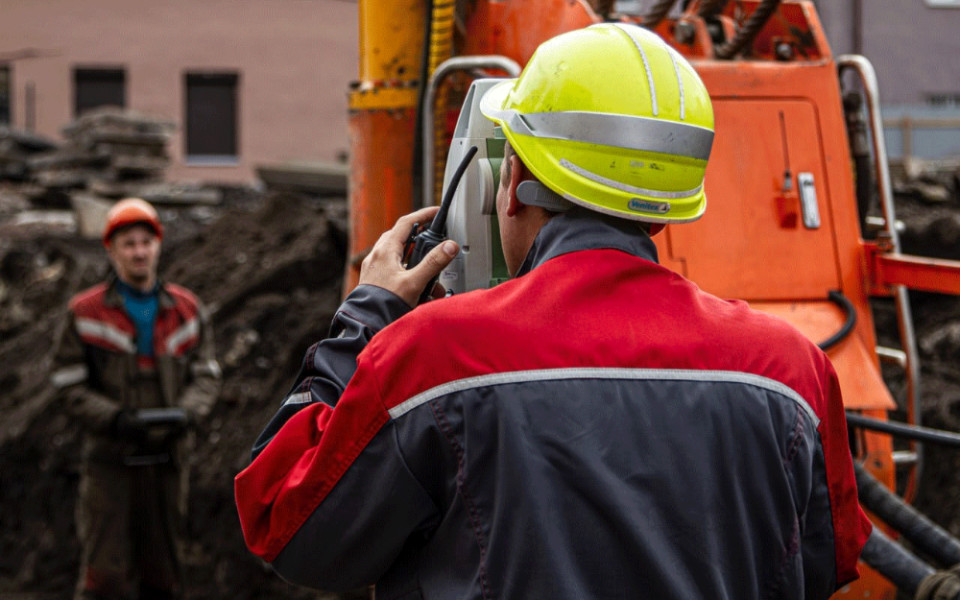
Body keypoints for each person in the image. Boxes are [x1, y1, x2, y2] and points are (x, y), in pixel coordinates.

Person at [235, 23, 870, 599]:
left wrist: (364, 318)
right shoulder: (793, 371)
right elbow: (827, 561)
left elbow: (287, 528)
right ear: (670, 201)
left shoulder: (434, 357)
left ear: (511, 183)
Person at [51, 198, 221, 600]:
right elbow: (67, 384)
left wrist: (188, 413)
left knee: (163, 574)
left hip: (168, 461)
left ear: (158, 245)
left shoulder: (187, 310)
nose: (139, 251)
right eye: (128, 243)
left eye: (146, 241)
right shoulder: (84, 312)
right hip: (110, 460)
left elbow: (207, 375)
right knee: (104, 576)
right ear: (111, 250)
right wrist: (113, 418)